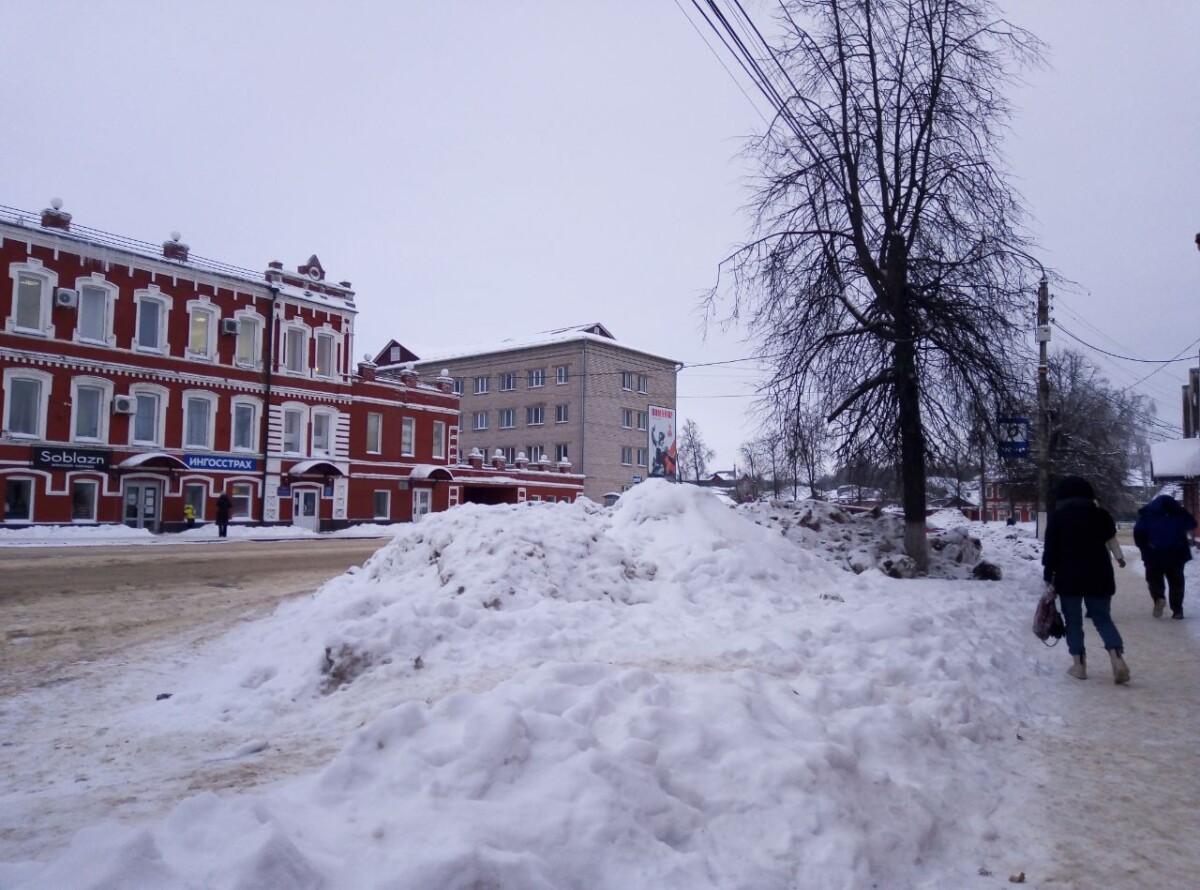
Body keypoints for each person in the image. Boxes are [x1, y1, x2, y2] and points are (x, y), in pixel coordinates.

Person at [1041, 476, 1129, 684]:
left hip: (1068, 576)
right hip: (1099, 575)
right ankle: (1117, 658)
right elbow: (1110, 536)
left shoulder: (1058, 518)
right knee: (1103, 619)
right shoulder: (1101, 516)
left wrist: (1048, 574)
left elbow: (1051, 549)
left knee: (1073, 621)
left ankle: (1079, 665)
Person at [1132, 494, 1197, 619]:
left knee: (1154, 580)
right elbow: (1191, 524)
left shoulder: (1147, 515)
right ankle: (1177, 610)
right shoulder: (1178, 514)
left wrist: (1145, 548)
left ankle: (1159, 598)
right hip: (1176, 554)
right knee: (1176, 583)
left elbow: (1138, 533)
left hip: (1153, 555)